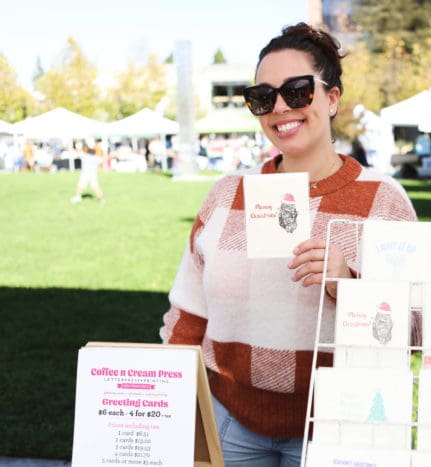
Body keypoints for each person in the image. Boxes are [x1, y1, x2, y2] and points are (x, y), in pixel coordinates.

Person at [160, 23, 417, 467]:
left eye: (298, 91)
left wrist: (348, 284)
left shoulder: (384, 199)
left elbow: (414, 328)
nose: (280, 107)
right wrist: (167, 396)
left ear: (332, 99)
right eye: (263, 97)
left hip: (339, 428)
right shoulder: (226, 193)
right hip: (229, 420)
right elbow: (189, 311)